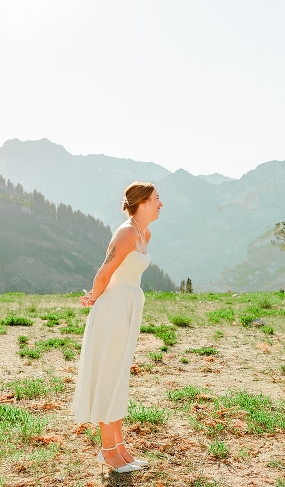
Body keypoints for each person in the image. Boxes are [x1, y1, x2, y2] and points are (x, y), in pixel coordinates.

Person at [71, 181, 162, 474]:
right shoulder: (125, 232)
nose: (161, 204)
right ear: (144, 202)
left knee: (119, 375)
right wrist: (94, 297)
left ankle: (120, 448)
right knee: (109, 374)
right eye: (157, 199)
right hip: (113, 309)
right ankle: (108, 451)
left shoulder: (143, 232)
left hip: (128, 307)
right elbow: (104, 272)